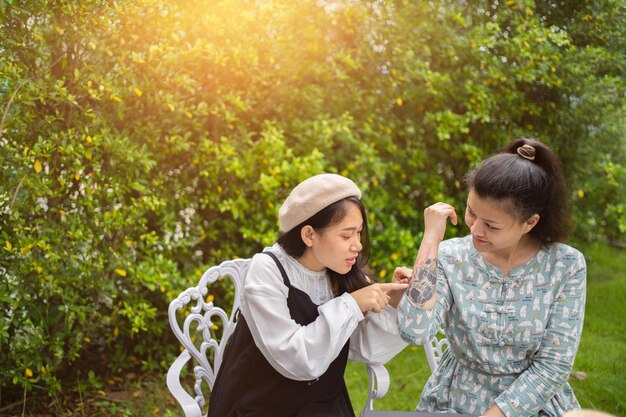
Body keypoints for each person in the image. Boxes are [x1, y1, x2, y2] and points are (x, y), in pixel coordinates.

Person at [396, 138, 587, 417]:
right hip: (456, 401)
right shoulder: (452, 256)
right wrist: (431, 240)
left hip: (535, 402)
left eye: (492, 225)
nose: (475, 229)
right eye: (471, 213)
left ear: (530, 223)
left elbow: (554, 365)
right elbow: (414, 331)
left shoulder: (566, 265)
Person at [208, 173, 409, 417]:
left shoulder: (341, 271)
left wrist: (393, 303)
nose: (357, 245)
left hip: (322, 406)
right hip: (259, 406)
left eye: (359, 233)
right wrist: (351, 305)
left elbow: (367, 349)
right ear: (309, 235)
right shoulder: (267, 270)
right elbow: (296, 359)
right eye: (346, 235)